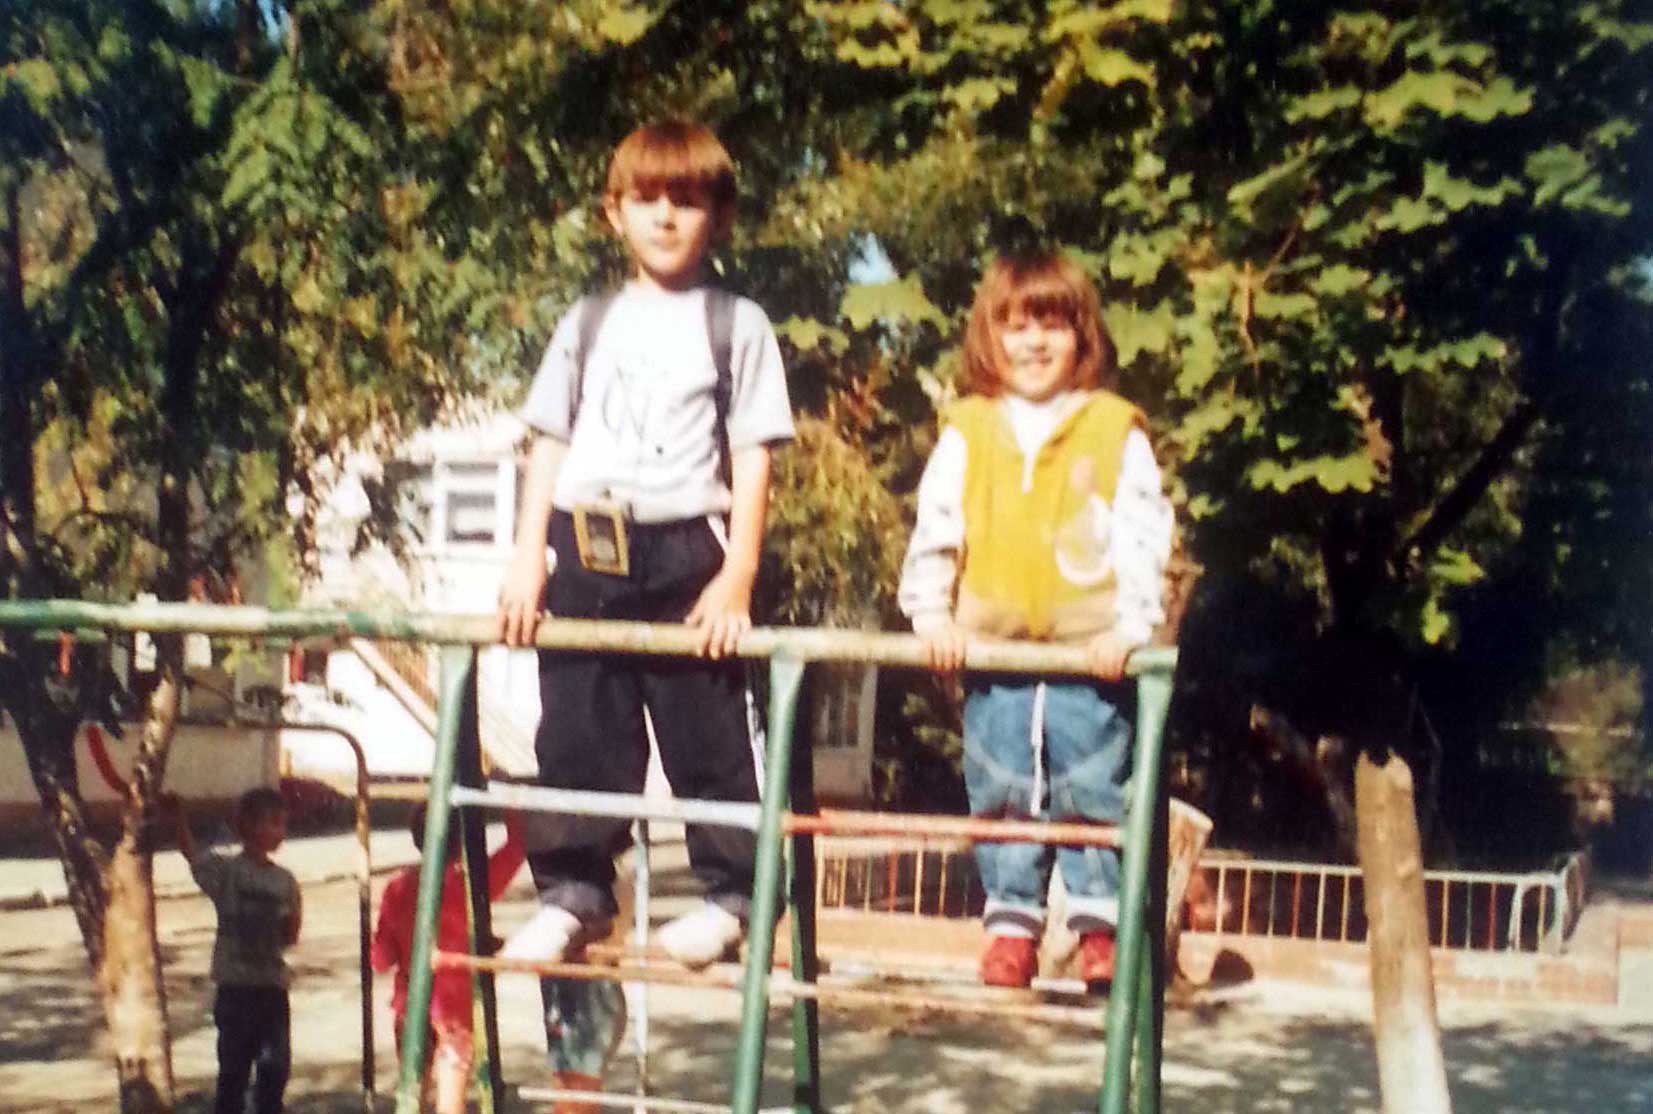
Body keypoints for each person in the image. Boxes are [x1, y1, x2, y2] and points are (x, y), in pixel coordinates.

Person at [495, 119, 794, 973]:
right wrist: (527, 558)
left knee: (707, 736)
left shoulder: (736, 325)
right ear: (614, 212)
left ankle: (732, 898)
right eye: (647, 198)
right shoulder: (587, 322)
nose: (665, 215)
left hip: (685, 555)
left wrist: (736, 575)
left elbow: (753, 457)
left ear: (718, 216)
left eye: (687, 200)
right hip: (586, 547)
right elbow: (547, 441)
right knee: (578, 732)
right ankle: (574, 894)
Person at [898, 252, 1174, 990]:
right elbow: (938, 524)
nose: (1033, 343)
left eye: (1051, 325)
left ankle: (1099, 924)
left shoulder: (1114, 429)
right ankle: (1011, 923)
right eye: (1014, 327)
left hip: (1089, 650)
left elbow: (1143, 533)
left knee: (1091, 778)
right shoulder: (970, 429)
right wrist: (931, 613)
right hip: (994, 648)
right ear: (989, 338)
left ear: (1082, 337)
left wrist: (1131, 625)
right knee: (1001, 781)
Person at [370, 806, 527, 1114]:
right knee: (450, 1101)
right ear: (463, 841)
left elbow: (380, 958)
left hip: (410, 1007)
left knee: (412, 1095)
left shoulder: (399, 888)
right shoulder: (471, 885)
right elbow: (517, 847)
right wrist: (507, 798)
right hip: (454, 1012)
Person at [169, 787, 302, 1114]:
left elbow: (291, 933)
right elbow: (194, 857)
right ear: (247, 825)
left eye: (282, 824)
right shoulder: (227, 872)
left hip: (271, 987)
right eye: (272, 823)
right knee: (233, 1071)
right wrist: (178, 818)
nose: (279, 832)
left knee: (275, 1069)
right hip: (236, 989)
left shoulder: (285, 880)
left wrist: (286, 924)